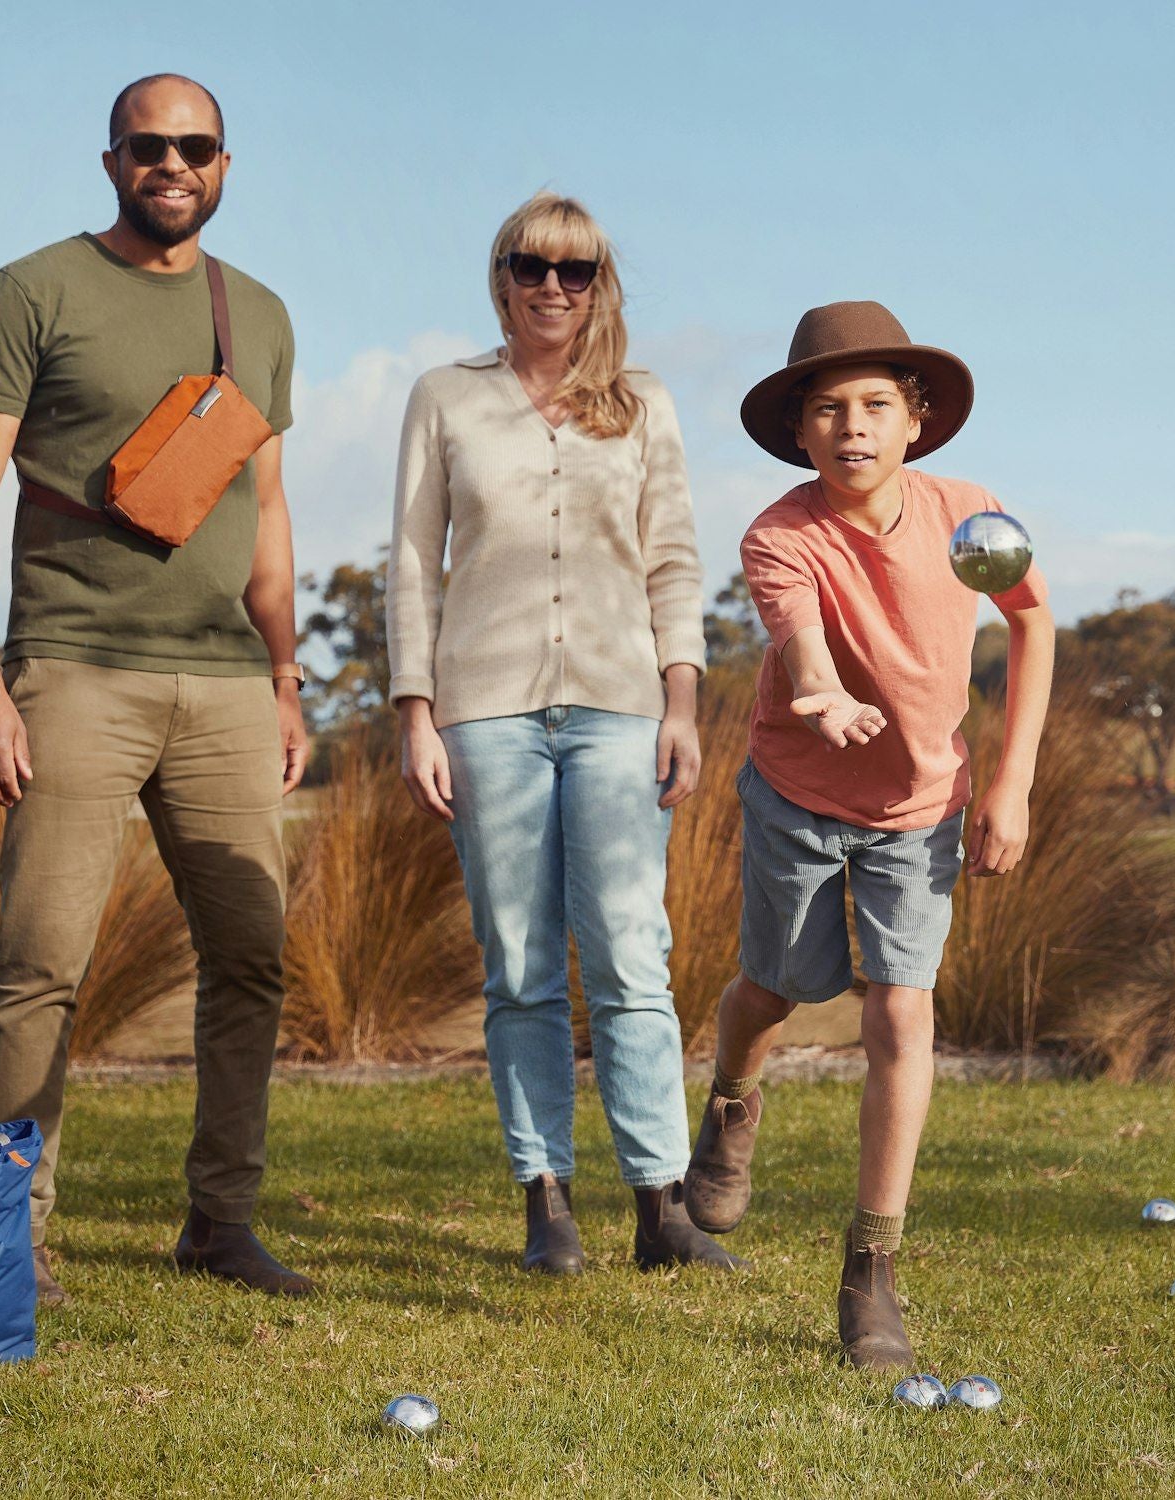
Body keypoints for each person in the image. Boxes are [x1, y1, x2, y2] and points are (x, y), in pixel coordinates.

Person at [0, 74, 313, 1304]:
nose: (172, 163)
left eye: (194, 147)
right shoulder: (30, 291)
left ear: (224, 163)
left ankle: (221, 1224)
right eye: (149, 146)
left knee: (252, 960)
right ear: (110, 160)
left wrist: (286, 673)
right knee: (40, 961)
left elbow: (266, 510)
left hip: (225, 687)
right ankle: (10, 1231)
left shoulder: (255, 313)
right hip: (73, 670)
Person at [683, 302, 1054, 1366]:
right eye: (829, 409)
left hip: (922, 810)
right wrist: (822, 696)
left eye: (877, 405)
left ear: (916, 420)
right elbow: (800, 643)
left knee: (901, 1012)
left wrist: (1012, 781)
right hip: (797, 797)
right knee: (778, 987)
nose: (853, 426)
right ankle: (733, 1100)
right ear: (800, 432)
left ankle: (872, 1269)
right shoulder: (780, 533)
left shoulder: (971, 518)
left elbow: (1032, 620)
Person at [387, 192, 740, 1276]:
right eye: (530, 266)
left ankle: (662, 1208)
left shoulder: (643, 405)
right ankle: (546, 1202)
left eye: (574, 270)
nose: (551, 285)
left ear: (599, 286)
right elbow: (409, 559)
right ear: (500, 279)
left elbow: (675, 558)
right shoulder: (445, 396)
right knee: (524, 966)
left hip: (621, 709)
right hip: (483, 714)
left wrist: (682, 703)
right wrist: (415, 713)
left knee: (635, 954)